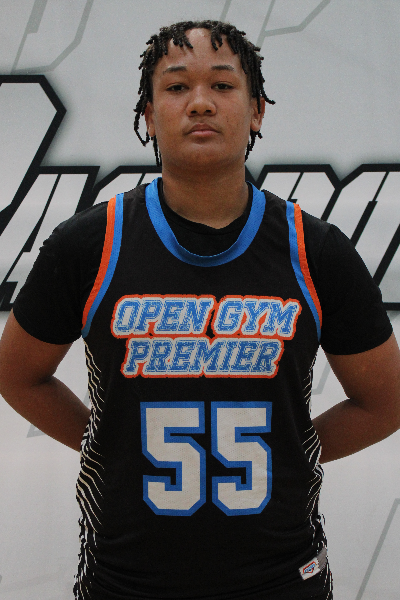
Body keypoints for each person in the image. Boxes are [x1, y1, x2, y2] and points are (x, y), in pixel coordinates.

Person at [0, 19, 399, 600]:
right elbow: (16, 375)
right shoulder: (88, 245)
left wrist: (292, 450)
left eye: (223, 84)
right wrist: (109, 445)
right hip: (126, 580)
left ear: (257, 111)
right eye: (177, 86)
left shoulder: (317, 251)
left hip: (282, 577)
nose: (201, 103)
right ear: (148, 116)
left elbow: (385, 401)